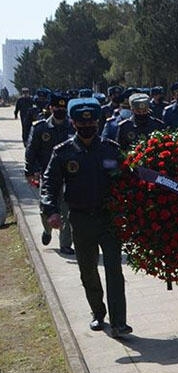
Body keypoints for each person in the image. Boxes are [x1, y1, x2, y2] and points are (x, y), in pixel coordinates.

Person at [41, 98, 131, 337]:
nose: (88, 127)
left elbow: (126, 179)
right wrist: (51, 210)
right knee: (88, 271)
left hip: (108, 219)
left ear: (98, 123)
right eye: (82, 124)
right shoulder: (63, 152)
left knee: (114, 270)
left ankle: (119, 321)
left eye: (91, 123)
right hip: (80, 220)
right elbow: (49, 183)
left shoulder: (110, 149)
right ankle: (98, 314)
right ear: (74, 123)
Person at [25, 91, 75, 255]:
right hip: (47, 176)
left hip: (69, 176)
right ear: (51, 108)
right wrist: (30, 170)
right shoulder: (41, 128)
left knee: (66, 210)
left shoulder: (72, 127)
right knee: (45, 209)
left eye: (63, 108)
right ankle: (47, 230)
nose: (60, 110)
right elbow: (31, 150)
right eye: (57, 107)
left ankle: (65, 244)